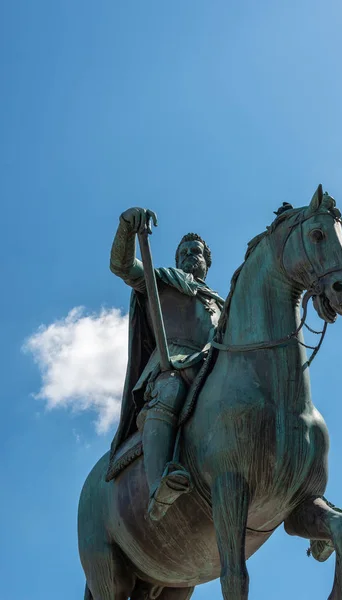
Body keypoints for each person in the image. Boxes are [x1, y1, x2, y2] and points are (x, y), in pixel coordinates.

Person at [107, 207, 224, 520]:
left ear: (207, 261)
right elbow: (121, 265)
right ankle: (160, 485)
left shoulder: (223, 304)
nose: (189, 255)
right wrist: (126, 228)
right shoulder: (162, 281)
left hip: (213, 365)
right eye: (183, 252)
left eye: (195, 252)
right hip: (174, 362)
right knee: (169, 391)